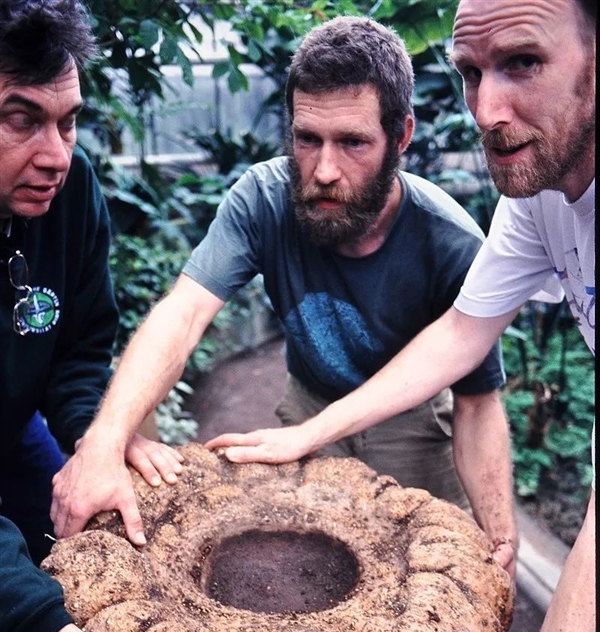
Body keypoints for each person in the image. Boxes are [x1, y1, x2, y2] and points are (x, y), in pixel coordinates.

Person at [206, 0, 596, 632]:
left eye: (524, 62)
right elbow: (459, 334)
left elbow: (478, 394)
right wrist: (310, 432)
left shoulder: (443, 231)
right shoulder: (536, 200)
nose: (486, 109)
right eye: (471, 73)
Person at [51, 15, 520, 582]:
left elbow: (477, 401)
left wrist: (499, 533)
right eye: (307, 139)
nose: (324, 170)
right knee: (300, 576)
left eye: (352, 142)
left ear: (401, 137)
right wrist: (103, 441)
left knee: (416, 582)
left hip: (414, 427)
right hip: (309, 402)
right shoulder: (263, 199)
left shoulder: (450, 243)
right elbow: (184, 312)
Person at [0, 0, 228, 632]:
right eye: (21, 120)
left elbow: (81, 342)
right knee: (40, 619)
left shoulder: (67, 193)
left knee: (97, 526)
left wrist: (99, 433)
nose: (56, 154)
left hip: (14, 429)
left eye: (67, 122)